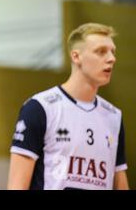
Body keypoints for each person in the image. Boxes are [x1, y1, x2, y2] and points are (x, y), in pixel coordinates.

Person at [8, 23, 129, 190]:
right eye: (101, 51)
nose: (111, 58)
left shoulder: (114, 116)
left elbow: (120, 183)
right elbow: (16, 186)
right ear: (76, 56)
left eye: (112, 52)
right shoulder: (40, 107)